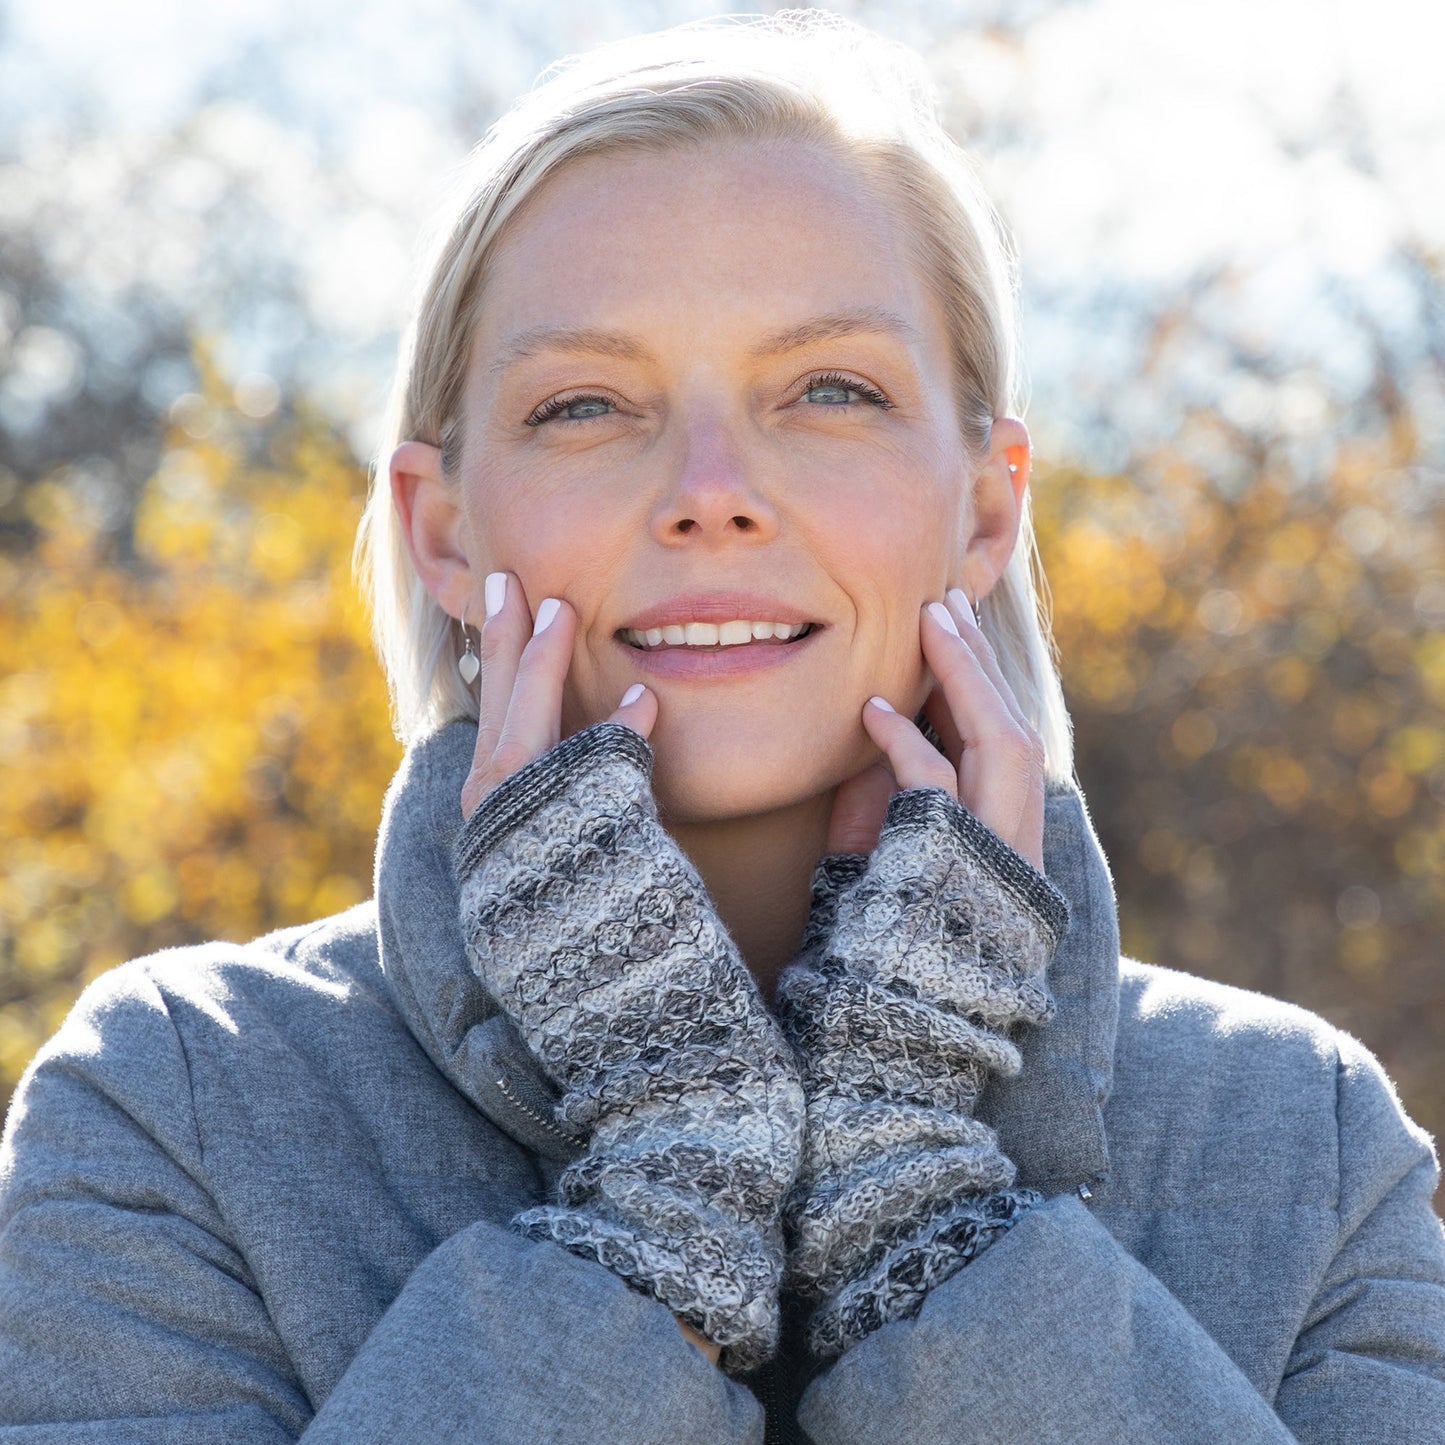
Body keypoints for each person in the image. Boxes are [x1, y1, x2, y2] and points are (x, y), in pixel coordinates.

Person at [2, 11, 1442, 1441]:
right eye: (584, 403)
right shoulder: (174, 1103)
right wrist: (664, 1194)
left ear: (985, 507)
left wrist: (918, 1199)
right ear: (441, 530)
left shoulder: (1297, 1139)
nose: (710, 488)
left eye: (829, 389)